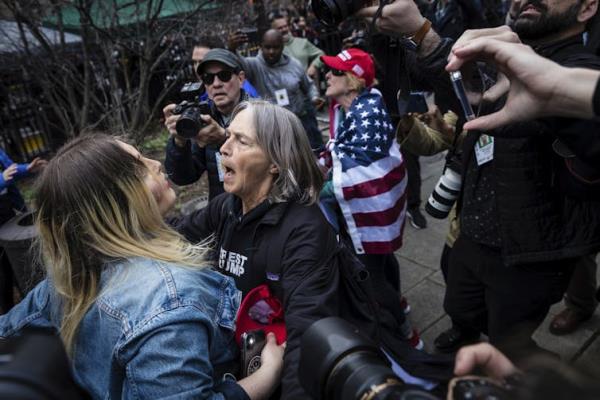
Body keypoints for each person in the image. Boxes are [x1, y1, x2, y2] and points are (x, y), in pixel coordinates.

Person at [358, 0, 600, 357]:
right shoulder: (509, 49)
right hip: (471, 226)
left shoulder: (583, 70)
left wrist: (424, 34)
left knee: (509, 342)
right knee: (460, 304)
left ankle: (544, 379)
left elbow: (528, 115)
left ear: (586, 9)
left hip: (530, 249)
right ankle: (464, 332)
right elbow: (462, 98)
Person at [0, 134, 284, 399]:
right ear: (115, 201)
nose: (156, 164)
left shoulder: (66, 280)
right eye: (139, 166)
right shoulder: (169, 300)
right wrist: (264, 377)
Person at [173, 100, 339, 399]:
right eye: (228, 137)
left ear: (275, 162)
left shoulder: (305, 231)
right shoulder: (227, 206)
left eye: (242, 141)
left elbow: (307, 335)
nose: (224, 148)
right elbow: (177, 234)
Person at [318, 48, 422, 349]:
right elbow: (342, 152)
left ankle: (404, 333)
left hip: (365, 215)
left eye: (336, 71)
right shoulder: (351, 107)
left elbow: (363, 169)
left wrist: (322, 186)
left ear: (353, 81)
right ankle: (399, 304)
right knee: (384, 260)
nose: (327, 74)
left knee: (370, 278)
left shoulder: (367, 115)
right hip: (371, 215)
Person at [163, 48, 253, 200]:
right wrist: (179, 142)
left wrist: (224, 139)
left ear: (240, 78)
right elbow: (184, 178)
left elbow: (273, 165)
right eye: (208, 79)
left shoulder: (260, 114)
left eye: (224, 76)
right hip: (222, 212)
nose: (216, 84)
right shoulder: (202, 118)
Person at [237, 30, 324, 152]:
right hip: (275, 128)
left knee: (316, 155)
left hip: (302, 122)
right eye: (267, 47)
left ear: (283, 47)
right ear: (261, 46)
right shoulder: (254, 65)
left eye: (276, 47)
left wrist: (314, 97)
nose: (271, 52)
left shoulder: (294, 64)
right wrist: (232, 49)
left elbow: (308, 86)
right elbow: (236, 64)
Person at [0, 151, 46, 314]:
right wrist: (1, 180)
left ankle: (31, 306)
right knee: (3, 272)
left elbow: (10, 169)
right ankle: (8, 316)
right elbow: (4, 175)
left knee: (18, 261)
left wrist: (27, 168)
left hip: (6, 209)